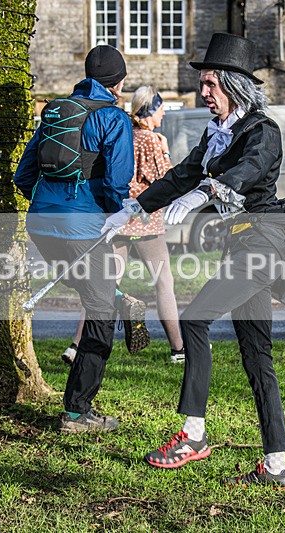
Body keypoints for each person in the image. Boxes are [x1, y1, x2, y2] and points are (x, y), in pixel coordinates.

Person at [103, 33, 285, 489]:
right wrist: (134, 208)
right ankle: (276, 466)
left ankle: (192, 434)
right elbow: (181, 175)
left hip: (262, 248)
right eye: (203, 84)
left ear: (234, 84)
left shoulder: (261, 131)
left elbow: (245, 172)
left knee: (194, 320)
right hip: (240, 246)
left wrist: (206, 192)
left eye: (210, 84)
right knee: (256, 358)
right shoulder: (217, 134)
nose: (203, 93)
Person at [14, 45, 133, 433]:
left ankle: (112, 293)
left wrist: (50, 201)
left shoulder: (55, 111)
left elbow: (23, 176)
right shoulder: (113, 117)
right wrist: (112, 218)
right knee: (100, 314)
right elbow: (117, 184)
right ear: (119, 83)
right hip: (81, 227)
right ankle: (78, 412)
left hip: (41, 223)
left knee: (87, 285)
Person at [112, 86, 185, 362]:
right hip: (146, 222)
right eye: (161, 107)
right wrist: (166, 151)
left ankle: (77, 345)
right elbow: (165, 182)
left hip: (119, 219)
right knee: (164, 283)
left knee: (107, 285)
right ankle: (178, 349)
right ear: (150, 110)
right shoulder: (152, 140)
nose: (164, 112)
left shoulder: (124, 136)